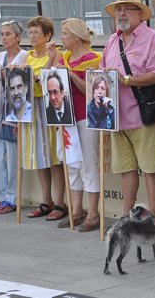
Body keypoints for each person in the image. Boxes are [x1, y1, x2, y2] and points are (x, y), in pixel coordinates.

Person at [101, 0, 155, 216]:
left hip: (142, 114)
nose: (121, 13)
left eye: (126, 9)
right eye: (118, 10)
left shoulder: (152, 38)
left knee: (150, 169)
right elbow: (102, 74)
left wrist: (126, 80)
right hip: (116, 115)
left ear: (140, 14)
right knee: (126, 169)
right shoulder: (112, 40)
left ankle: (154, 216)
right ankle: (127, 214)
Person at [20, 16, 70, 224]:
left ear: (47, 35)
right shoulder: (27, 57)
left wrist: (49, 61)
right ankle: (46, 200)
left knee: (55, 156)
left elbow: (54, 77)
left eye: (36, 33)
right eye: (30, 32)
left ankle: (60, 202)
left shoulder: (57, 54)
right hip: (32, 109)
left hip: (51, 108)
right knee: (39, 157)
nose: (32, 36)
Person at [56, 18, 102, 232]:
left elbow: (92, 92)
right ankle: (76, 210)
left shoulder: (93, 59)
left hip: (86, 116)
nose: (61, 38)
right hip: (66, 117)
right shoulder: (63, 58)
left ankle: (93, 212)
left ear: (76, 37)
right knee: (72, 164)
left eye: (64, 33)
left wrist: (71, 75)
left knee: (89, 164)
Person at [0, 20, 28, 215]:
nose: (4, 38)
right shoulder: (0, 55)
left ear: (18, 37)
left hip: (14, 112)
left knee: (12, 155)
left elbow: (17, 79)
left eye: (8, 34)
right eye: (2, 34)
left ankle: (12, 197)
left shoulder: (25, 56)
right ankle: (1, 195)